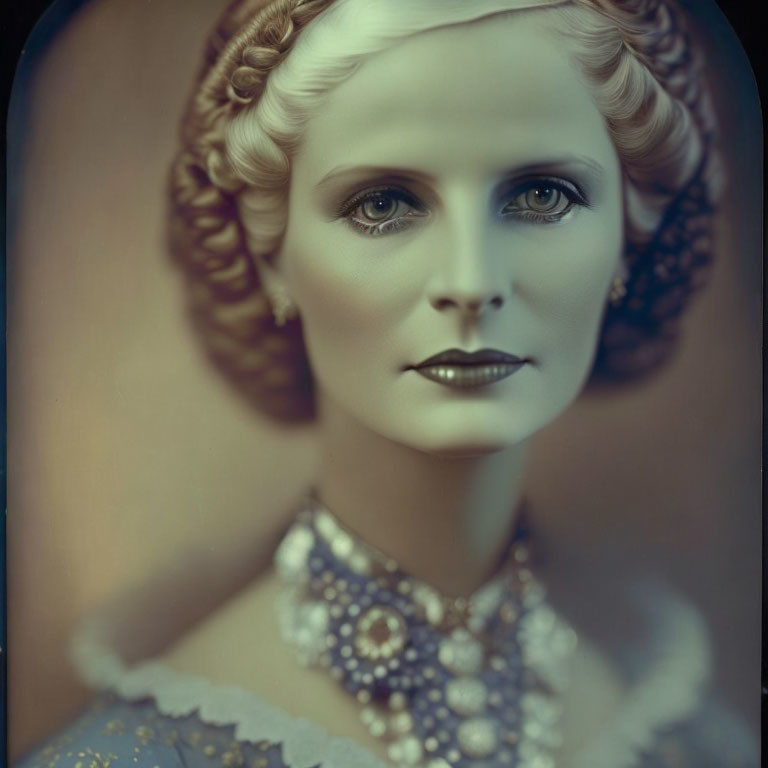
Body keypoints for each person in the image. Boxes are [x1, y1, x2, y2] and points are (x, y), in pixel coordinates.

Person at [14, 0, 758, 766]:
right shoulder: (140, 753)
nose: (471, 282)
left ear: (628, 244)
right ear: (273, 255)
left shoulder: (686, 742)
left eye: (541, 196)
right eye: (383, 205)